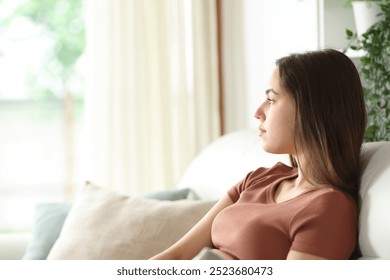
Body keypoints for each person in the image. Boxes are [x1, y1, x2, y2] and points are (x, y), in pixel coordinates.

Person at [151, 49, 367, 260]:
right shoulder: (259, 179)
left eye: (271, 100)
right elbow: (176, 256)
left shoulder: (329, 209)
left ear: (311, 109)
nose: (258, 112)